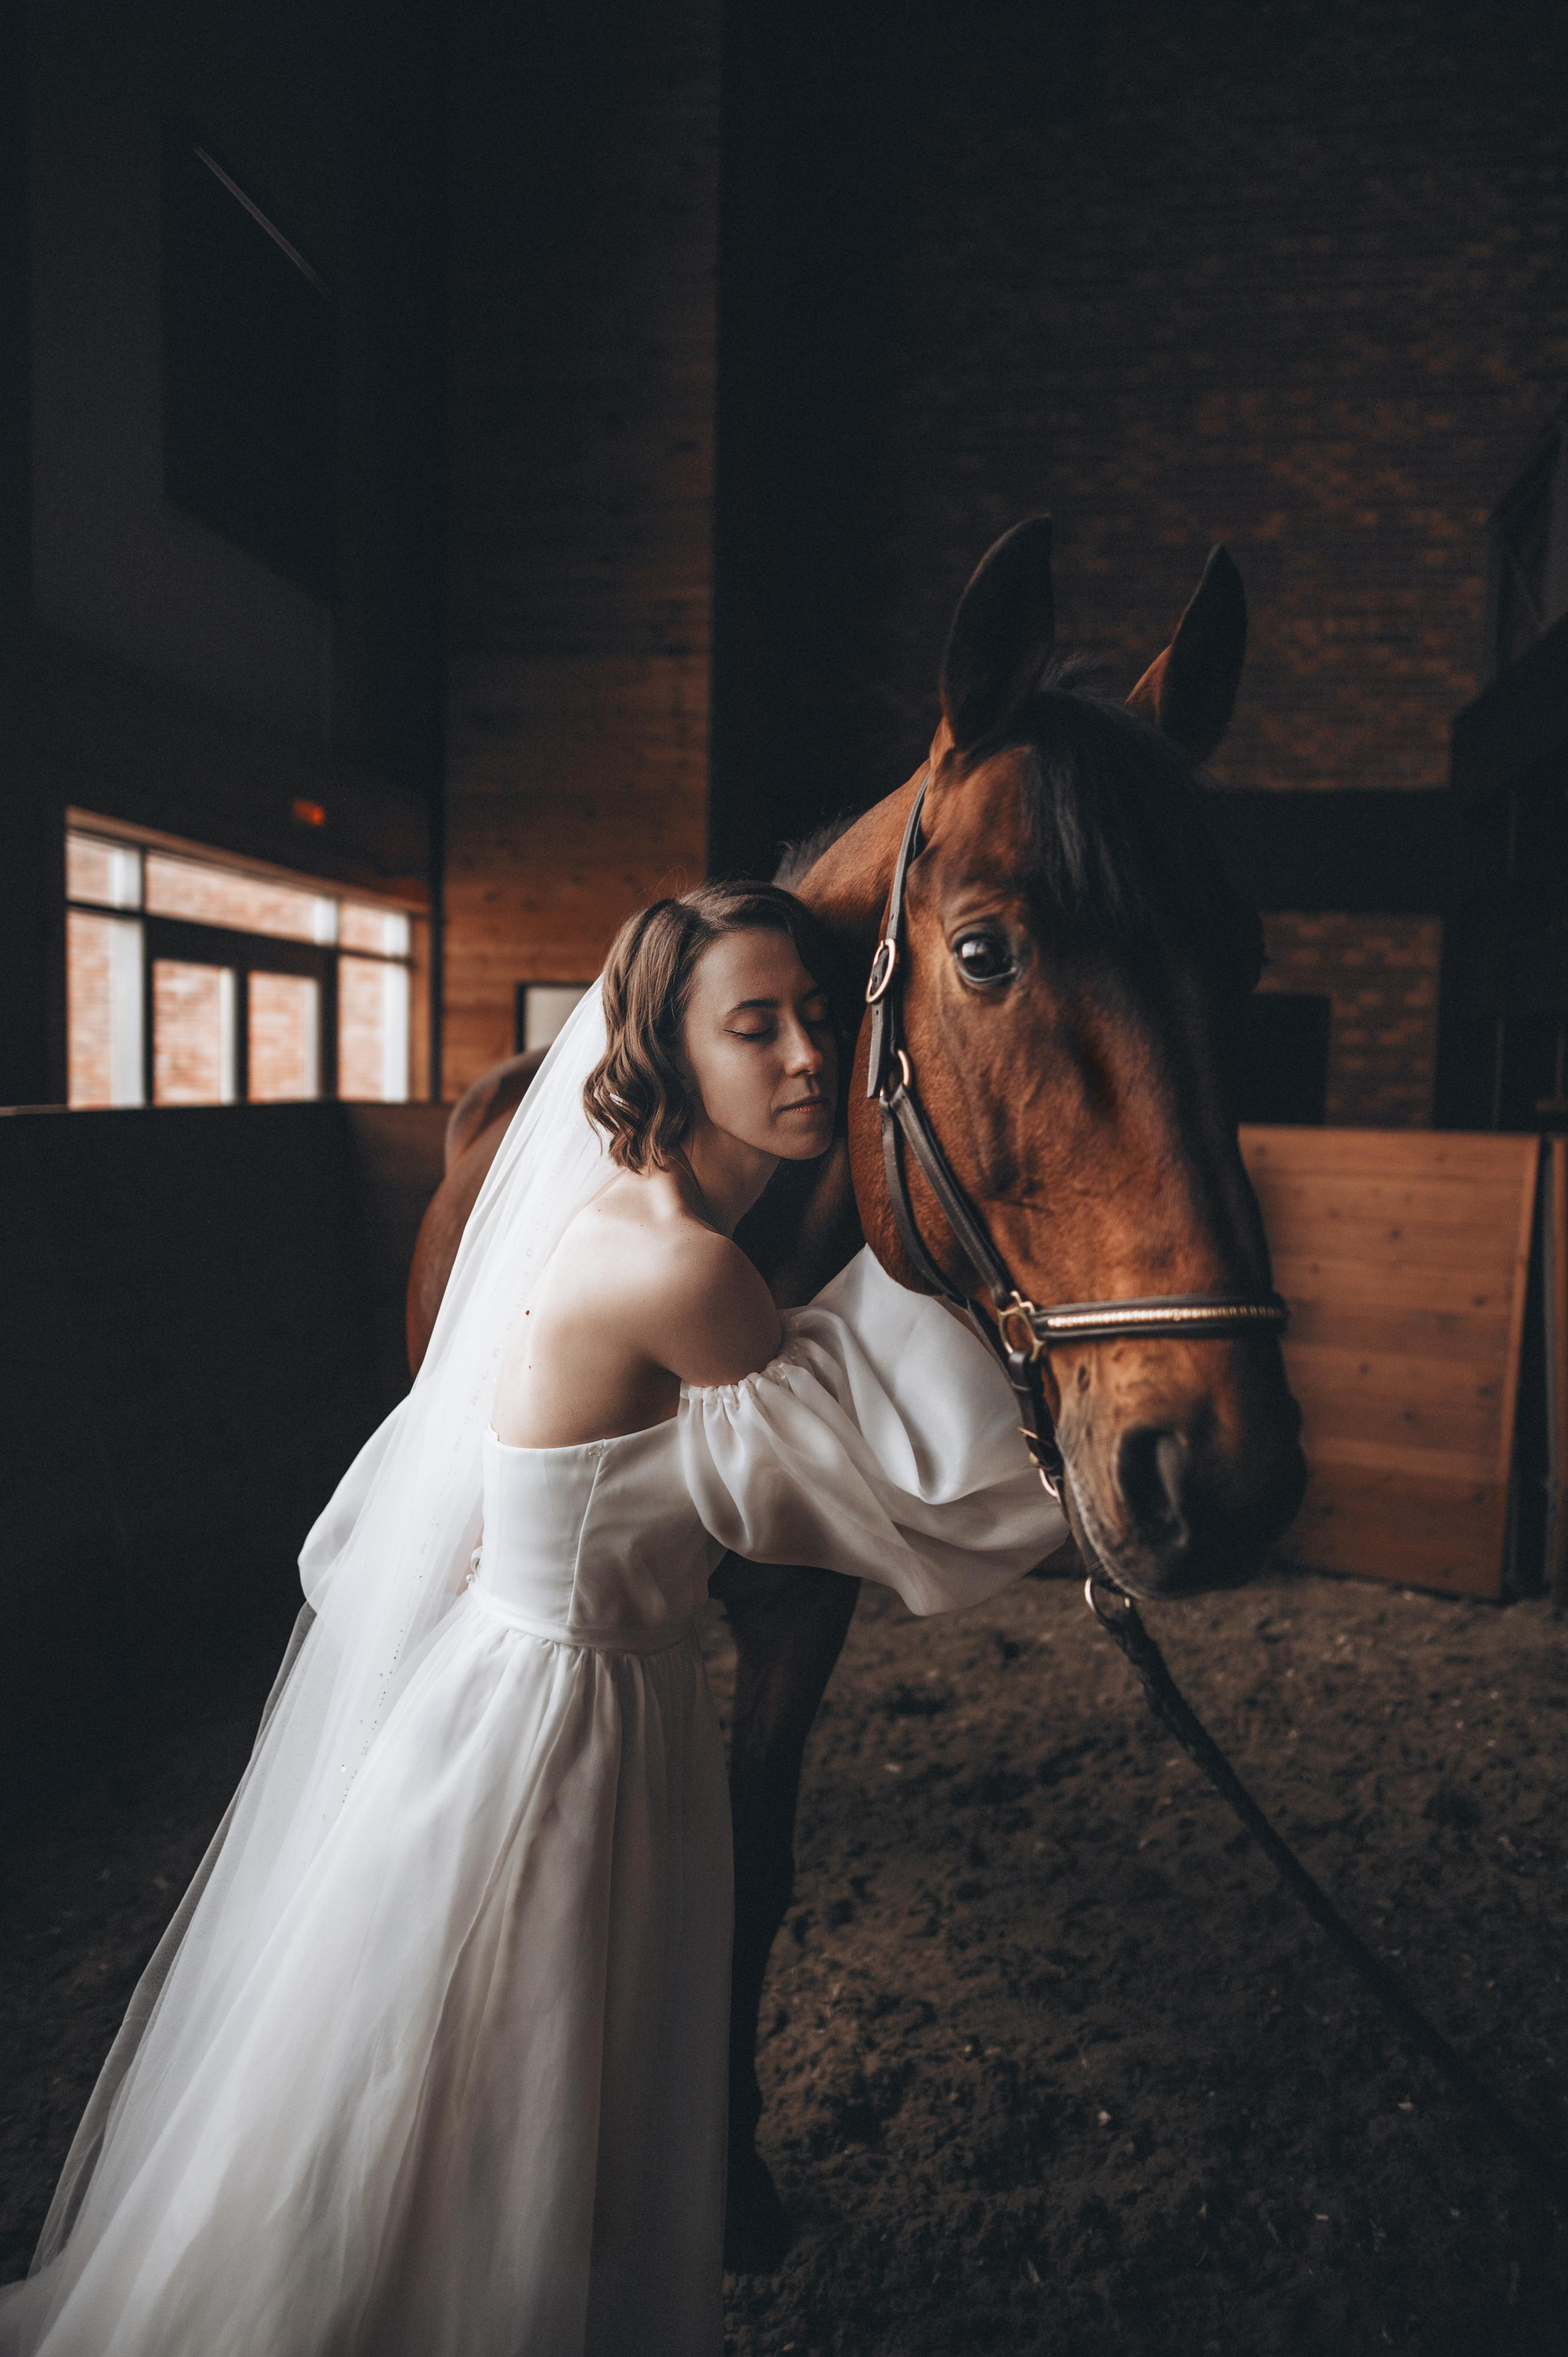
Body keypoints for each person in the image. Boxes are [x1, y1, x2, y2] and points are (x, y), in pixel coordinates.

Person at [0, 883, 1065, 2357]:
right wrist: (1059, 1428)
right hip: (565, 1725)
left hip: (556, 1688)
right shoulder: (685, 1269)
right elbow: (876, 1487)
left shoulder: (639, 1217)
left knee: (495, 2075)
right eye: (754, 1026)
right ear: (669, 1053)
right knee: (515, 2076)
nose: (809, 1055)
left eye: (820, 1017)